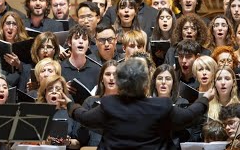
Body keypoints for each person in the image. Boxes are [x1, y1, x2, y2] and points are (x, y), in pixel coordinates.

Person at [59, 57, 214, 149]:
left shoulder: (109, 104)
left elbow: (84, 117)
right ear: (146, 84)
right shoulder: (161, 106)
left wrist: (69, 104)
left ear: (120, 83)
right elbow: (189, 115)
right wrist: (205, 98)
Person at [79, 60, 118, 146]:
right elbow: (81, 136)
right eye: (108, 74)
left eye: (115, 74)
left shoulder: (127, 103)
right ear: (102, 79)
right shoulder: (90, 101)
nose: (111, 78)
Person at [37, 75, 80, 148]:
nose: (54, 92)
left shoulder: (71, 113)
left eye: (58, 89)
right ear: (45, 93)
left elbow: (78, 144)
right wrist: (43, 141)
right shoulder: (36, 112)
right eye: (50, 89)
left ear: (63, 93)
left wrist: (68, 142)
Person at [61, 24, 101, 93]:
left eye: (84, 39)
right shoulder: (59, 68)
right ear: (69, 43)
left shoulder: (97, 70)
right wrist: (61, 88)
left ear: (88, 45)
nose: (81, 41)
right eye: (76, 38)